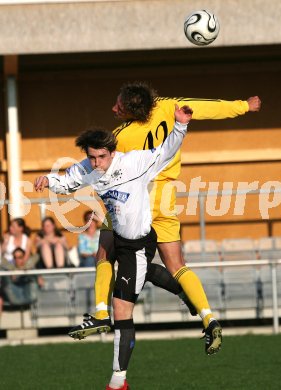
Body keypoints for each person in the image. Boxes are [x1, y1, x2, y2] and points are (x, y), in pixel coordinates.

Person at [34, 105, 219, 389]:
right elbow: (67, 181)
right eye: (92, 157)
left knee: (122, 310)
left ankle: (118, 380)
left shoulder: (134, 162)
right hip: (118, 235)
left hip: (137, 246)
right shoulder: (87, 168)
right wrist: (49, 180)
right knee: (110, 258)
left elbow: (165, 151)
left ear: (112, 152)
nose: (97, 163)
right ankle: (107, 320)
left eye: (101, 157)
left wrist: (180, 125)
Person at [70, 82, 261, 346]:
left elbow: (98, 165)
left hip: (133, 200)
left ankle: (102, 312)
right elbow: (206, 107)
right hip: (166, 197)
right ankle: (208, 318)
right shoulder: (168, 107)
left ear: (130, 111)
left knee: (105, 252)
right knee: (177, 264)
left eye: (119, 106)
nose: (113, 108)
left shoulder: (119, 137)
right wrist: (243, 106)